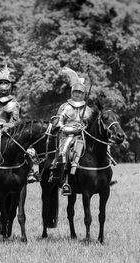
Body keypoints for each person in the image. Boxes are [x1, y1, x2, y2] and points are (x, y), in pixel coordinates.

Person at [0, 65, 37, 183]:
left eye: (5, 83)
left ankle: (31, 172)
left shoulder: (13, 103)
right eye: (1, 83)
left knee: (23, 148)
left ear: (9, 86)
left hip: (8, 132)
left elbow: (15, 121)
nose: (3, 86)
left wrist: (5, 126)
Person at [50, 67, 91, 195]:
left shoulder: (88, 109)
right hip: (67, 135)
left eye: (80, 92)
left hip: (83, 136)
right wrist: (69, 129)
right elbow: (58, 123)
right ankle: (64, 181)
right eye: (75, 92)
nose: (77, 94)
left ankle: (102, 174)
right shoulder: (65, 107)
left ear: (84, 94)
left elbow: (91, 124)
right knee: (64, 152)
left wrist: (84, 128)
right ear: (72, 92)